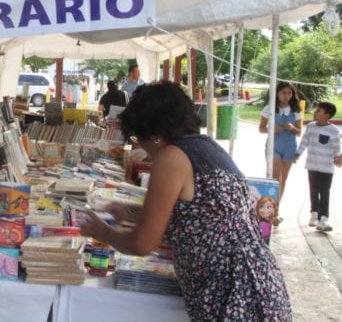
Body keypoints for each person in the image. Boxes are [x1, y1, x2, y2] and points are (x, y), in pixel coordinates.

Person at [80, 81, 291, 321]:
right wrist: (131, 212)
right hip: (259, 284)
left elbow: (142, 244)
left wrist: (101, 232)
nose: (143, 148)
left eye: (139, 136)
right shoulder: (208, 147)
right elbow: (199, 217)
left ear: (154, 133)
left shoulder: (171, 157)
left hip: (236, 293)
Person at [258, 82, 302, 224]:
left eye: (289, 93)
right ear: (277, 93)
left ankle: (276, 210)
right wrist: (272, 129)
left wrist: (292, 128)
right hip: (273, 146)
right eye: (283, 92)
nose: (286, 96)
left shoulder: (296, 110)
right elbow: (261, 128)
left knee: (284, 180)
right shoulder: (269, 108)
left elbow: (299, 132)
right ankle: (271, 213)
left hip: (289, 147)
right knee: (276, 179)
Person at [294, 101, 341, 231]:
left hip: (327, 167)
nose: (315, 112)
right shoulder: (311, 126)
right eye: (316, 110)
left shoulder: (333, 130)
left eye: (319, 110)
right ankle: (314, 214)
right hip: (312, 165)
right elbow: (304, 141)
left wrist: (337, 158)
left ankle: (323, 219)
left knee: (325, 192)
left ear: (327, 115)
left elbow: (336, 147)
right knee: (313, 190)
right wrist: (298, 153)